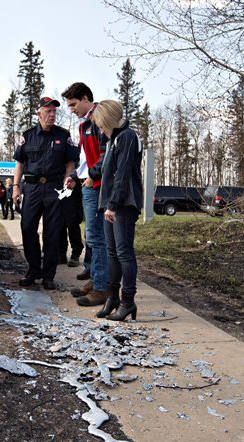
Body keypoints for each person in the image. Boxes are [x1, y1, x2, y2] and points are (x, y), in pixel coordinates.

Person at [12, 97, 78, 290]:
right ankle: (33, 270)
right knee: (27, 227)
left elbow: (70, 163)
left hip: (55, 188)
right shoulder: (28, 135)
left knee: (53, 232)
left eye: (54, 112)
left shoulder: (63, 136)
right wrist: (16, 187)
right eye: (48, 111)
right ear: (39, 113)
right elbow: (19, 162)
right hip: (31, 188)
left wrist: (67, 185)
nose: (52, 115)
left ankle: (49, 275)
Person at [91, 100, 143, 321]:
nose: (101, 130)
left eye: (102, 125)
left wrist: (113, 205)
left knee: (124, 253)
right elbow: (106, 171)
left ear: (109, 120)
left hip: (123, 203)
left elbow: (122, 174)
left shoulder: (127, 136)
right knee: (112, 252)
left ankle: (128, 301)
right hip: (109, 203)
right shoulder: (112, 139)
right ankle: (111, 299)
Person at [62, 82, 109, 307]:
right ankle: (97, 279)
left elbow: (106, 154)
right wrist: (75, 176)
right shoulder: (83, 125)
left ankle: (102, 288)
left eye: (73, 105)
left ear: (85, 98)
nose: (71, 110)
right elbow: (84, 156)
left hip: (99, 185)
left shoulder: (101, 118)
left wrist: (92, 174)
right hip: (89, 183)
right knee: (92, 237)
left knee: (98, 237)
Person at [58, 176, 84, 266]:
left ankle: (76, 253)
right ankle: (61, 253)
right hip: (58, 186)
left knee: (72, 222)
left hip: (72, 187)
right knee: (59, 223)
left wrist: (74, 178)